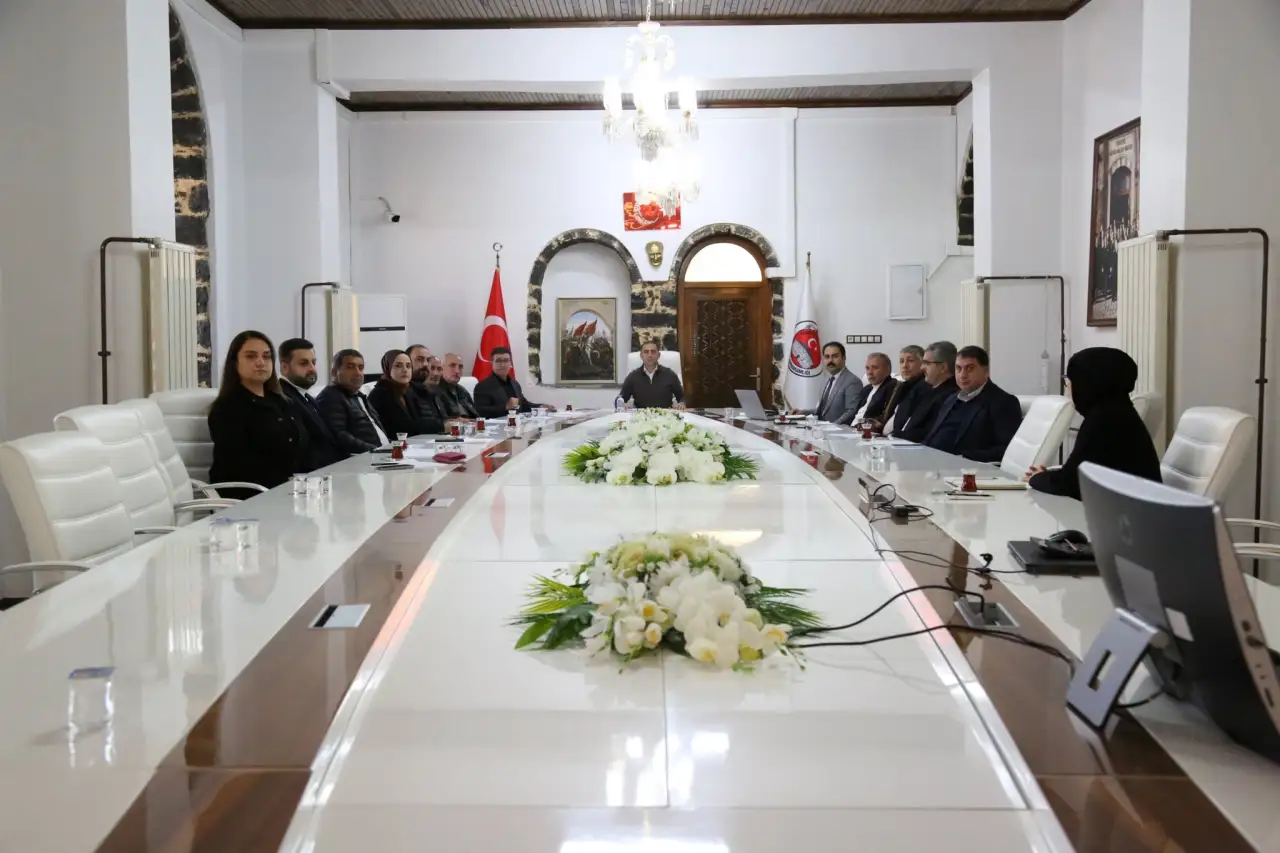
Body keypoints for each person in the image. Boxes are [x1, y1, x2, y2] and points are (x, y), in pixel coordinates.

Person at [1027, 347, 1162, 499]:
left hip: (1125, 512)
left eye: (1069, 380)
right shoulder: (1120, 412)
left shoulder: (1104, 421)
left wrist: (1036, 478)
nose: (1068, 387)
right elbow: (1079, 473)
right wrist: (1047, 476)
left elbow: (1071, 484)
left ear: (1085, 383)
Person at [207, 330, 309, 498]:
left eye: (267, 356)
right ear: (235, 363)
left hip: (290, 491)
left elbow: (301, 448)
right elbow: (240, 466)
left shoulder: (283, 402)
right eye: (251, 356)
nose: (261, 362)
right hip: (249, 497)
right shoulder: (227, 408)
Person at [923, 345, 1023, 462]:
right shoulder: (950, 399)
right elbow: (932, 437)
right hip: (930, 461)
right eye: (958, 368)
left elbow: (1008, 449)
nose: (962, 375)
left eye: (970, 368)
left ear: (985, 371)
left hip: (961, 467)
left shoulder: (1003, 401)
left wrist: (964, 458)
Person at [278, 337, 347, 471]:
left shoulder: (306, 396)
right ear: (285, 367)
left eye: (313, 362)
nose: (312, 368)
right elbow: (305, 450)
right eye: (303, 363)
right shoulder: (283, 398)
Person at [316, 349, 389, 453]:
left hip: (381, 453)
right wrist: (374, 450)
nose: (358, 373)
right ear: (334, 372)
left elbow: (376, 430)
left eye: (361, 368)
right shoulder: (330, 397)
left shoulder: (358, 396)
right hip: (363, 457)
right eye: (350, 367)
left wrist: (394, 446)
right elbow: (338, 435)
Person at [368, 349, 445, 437]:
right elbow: (403, 428)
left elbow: (420, 420)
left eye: (408, 366)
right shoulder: (381, 394)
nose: (404, 370)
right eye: (398, 366)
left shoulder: (407, 390)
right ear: (387, 368)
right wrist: (442, 426)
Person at [894, 340, 959, 442]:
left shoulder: (950, 396)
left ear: (943, 367)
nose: (922, 368)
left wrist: (896, 436)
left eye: (926, 363)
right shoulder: (928, 390)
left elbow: (927, 434)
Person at [791, 342, 863, 424]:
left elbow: (851, 412)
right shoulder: (828, 379)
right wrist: (803, 412)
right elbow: (822, 411)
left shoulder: (852, 381)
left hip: (837, 430)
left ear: (844, 358)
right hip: (821, 428)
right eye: (827, 357)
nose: (830, 360)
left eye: (835, 356)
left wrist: (832, 426)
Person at [473, 346, 555, 418]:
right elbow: (480, 411)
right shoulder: (482, 386)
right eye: (498, 361)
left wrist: (541, 406)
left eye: (506, 360)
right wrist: (505, 407)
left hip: (516, 425)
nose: (502, 364)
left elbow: (523, 405)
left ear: (510, 363)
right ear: (492, 363)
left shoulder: (515, 384)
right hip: (495, 428)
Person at [619, 340, 686, 410]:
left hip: (665, 415)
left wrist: (682, 403)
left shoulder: (670, 374)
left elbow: (682, 397)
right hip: (641, 415)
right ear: (641, 356)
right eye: (646, 352)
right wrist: (622, 404)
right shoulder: (633, 376)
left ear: (658, 355)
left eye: (653, 352)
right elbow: (620, 398)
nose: (650, 355)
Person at [873, 345, 924, 434]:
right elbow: (890, 414)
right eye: (901, 361)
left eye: (910, 361)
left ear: (923, 364)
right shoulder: (901, 386)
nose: (905, 366)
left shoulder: (923, 388)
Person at [851, 352, 898, 426]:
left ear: (888, 370)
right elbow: (854, 413)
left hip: (866, 429)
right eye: (867, 368)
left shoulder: (892, 387)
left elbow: (884, 417)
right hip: (851, 428)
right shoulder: (866, 389)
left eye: (875, 368)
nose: (870, 372)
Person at [437, 352, 479, 418]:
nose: (457, 371)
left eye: (460, 367)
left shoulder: (462, 390)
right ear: (441, 369)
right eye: (452, 365)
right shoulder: (436, 390)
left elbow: (476, 414)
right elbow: (442, 419)